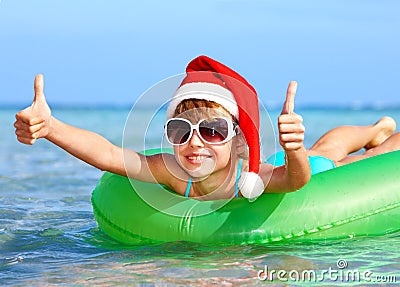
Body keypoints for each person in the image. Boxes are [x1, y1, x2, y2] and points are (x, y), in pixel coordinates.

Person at [14, 55, 399, 200]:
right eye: (181, 130)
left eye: (213, 130)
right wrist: (51, 127)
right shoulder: (174, 172)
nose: (194, 142)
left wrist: (295, 151)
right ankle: (376, 127)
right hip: (289, 159)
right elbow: (111, 154)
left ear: (237, 139)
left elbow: (297, 181)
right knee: (326, 147)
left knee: (331, 155)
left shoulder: (253, 177)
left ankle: (379, 131)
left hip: (301, 166)